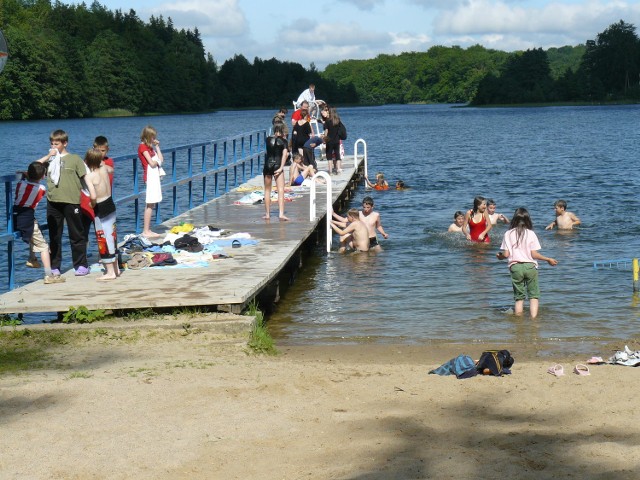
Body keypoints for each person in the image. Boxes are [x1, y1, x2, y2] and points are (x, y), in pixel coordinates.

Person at [36, 129, 90, 276]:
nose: (54, 146)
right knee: (54, 236)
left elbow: (86, 178)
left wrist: (93, 195)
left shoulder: (75, 159)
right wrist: (49, 156)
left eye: (57, 144)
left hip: (72, 202)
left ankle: (81, 265)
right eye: (52, 143)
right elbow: (34, 167)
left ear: (65, 143)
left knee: (76, 234)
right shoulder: (50, 160)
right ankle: (55, 267)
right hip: (53, 202)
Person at [497, 207, 558, 318]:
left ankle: (519, 322)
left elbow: (506, 255)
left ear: (514, 219)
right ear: (528, 220)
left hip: (515, 267)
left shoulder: (508, 234)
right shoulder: (531, 234)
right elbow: (534, 254)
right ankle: (533, 321)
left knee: (519, 298)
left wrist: (499, 256)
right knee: (533, 296)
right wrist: (548, 259)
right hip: (530, 267)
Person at [12, 162, 65, 284]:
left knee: (35, 232)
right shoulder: (41, 189)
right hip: (27, 218)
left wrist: (26, 174)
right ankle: (48, 275)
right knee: (44, 247)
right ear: (43, 177)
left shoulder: (20, 184)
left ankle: (32, 258)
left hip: (15, 216)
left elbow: (27, 178)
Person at [84, 148, 119, 281]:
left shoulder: (89, 176)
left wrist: (92, 204)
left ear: (87, 161)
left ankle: (110, 272)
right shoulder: (104, 168)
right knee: (112, 236)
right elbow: (111, 169)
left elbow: (93, 195)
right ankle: (116, 270)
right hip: (110, 203)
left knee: (103, 239)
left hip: (101, 207)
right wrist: (103, 164)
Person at [83, 135, 115, 246]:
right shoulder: (87, 163)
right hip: (90, 200)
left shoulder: (108, 162)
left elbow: (110, 169)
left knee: (105, 230)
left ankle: (104, 254)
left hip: (104, 200)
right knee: (85, 228)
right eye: (98, 151)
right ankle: (85, 255)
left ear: (107, 150)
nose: (100, 154)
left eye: (103, 151)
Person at [137, 125, 164, 238]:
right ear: (148, 136)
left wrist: (157, 147)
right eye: (153, 137)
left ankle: (147, 229)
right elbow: (152, 163)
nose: (154, 139)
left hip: (154, 176)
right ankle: (146, 230)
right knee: (149, 204)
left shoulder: (150, 148)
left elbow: (161, 159)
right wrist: (157, 161)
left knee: (152, 204)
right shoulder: (143, 147)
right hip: (149, 177)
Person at [264, 124, 289, 221]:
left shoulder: (267, 140)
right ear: (282, 131)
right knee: (281, 190)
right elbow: (285, 155)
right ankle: (281, 214)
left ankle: (267, 214)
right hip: (278, 165)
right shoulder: (284, 141)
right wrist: (281, 167)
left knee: (267, 190)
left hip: (268, 165)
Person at [323, 106, 346, 174]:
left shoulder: (327, 121)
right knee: (337, 155)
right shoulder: (337, 121)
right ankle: (338, 169)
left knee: (329, 156)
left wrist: (324, 138)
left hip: (329, 141)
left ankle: (330, 171)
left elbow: (326, 131)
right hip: (336, 140)